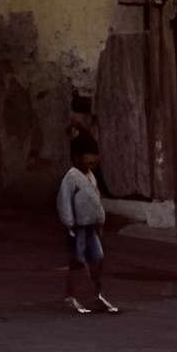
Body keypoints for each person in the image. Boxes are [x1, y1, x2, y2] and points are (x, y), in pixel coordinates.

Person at [57, 135, 118, 315]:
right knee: (78, 260)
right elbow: (64, 202)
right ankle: (73, 295)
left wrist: (101, 219)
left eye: (94, 162)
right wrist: (69, 224)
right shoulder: (71, 178)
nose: (92, 165)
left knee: (97, 258)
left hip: (92, 226)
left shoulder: (90, 176)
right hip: (79, 228)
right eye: (88, 161)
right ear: (76, 158)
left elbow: (96, 200)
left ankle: (95, 294)